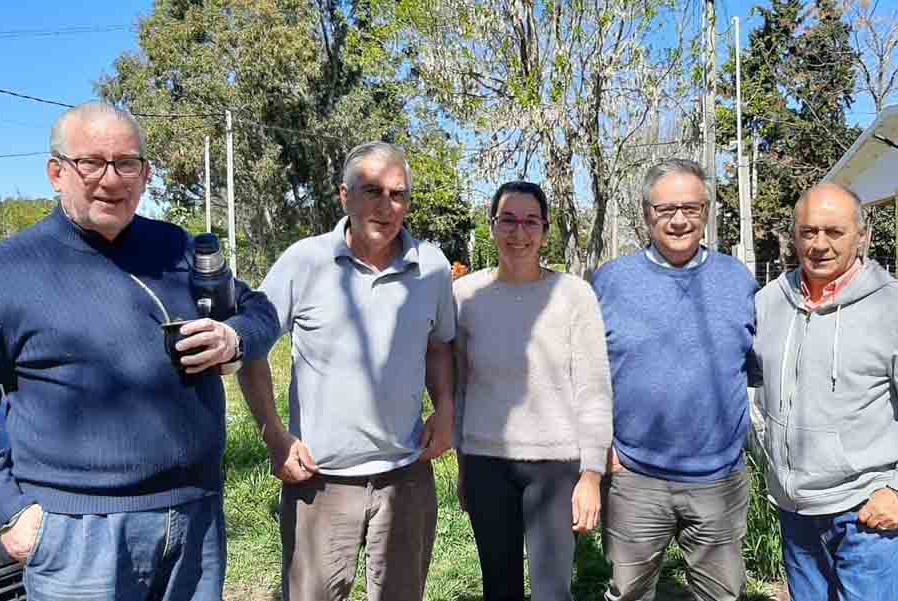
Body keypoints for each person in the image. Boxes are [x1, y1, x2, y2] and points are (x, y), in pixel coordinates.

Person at [0, 102, 279, 600]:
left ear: (146, 173)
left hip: (196, 519)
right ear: (56, 172)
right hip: (77, 532)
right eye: (92, 162)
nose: (111, 179)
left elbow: (259, 310)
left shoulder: (175, 247)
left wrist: (233, 339)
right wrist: (11, 511)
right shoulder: (12, 269)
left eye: (127, 163)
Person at [237, 141, 455, 601]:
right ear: (344, 196)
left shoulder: (432, 267)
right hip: (320, 480)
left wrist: (447, 409)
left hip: (406, 475)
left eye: (398, 194)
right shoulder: (304, 261)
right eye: (371, 191)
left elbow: (439, 346)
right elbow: (252, 348)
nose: (386, 206)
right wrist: (274, 435)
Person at [592, 158, 758, 601]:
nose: (679, 219)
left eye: (691, 207)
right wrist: (603, 451)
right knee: (628, 591)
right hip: (633, 475)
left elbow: (754, 367)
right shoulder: (611, 282)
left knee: (722, 595)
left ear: (707, 211)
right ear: (647, 214)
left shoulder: (738, 281)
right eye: (666, 209)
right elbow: (586, 376)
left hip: (719, 476)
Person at [453, 181, 613, 601]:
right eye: (508, 220)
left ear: (545, 229)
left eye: (529, 222)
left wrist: (592, 474)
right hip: (487, 462)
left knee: (551, 591)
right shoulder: (465, 297)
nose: (518, 233)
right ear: (492, 226)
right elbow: (460, 387)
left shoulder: (574, 296)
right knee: (499, 588)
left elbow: (594, 389)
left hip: (556, 467)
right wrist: (463, 463)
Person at [752, 182, 898, 601]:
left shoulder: (890, 308)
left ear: (862, 237)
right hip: (795, 512)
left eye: (834, 232)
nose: (819, 244)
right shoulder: (768, 304)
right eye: (808, 232)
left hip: (868, 511)